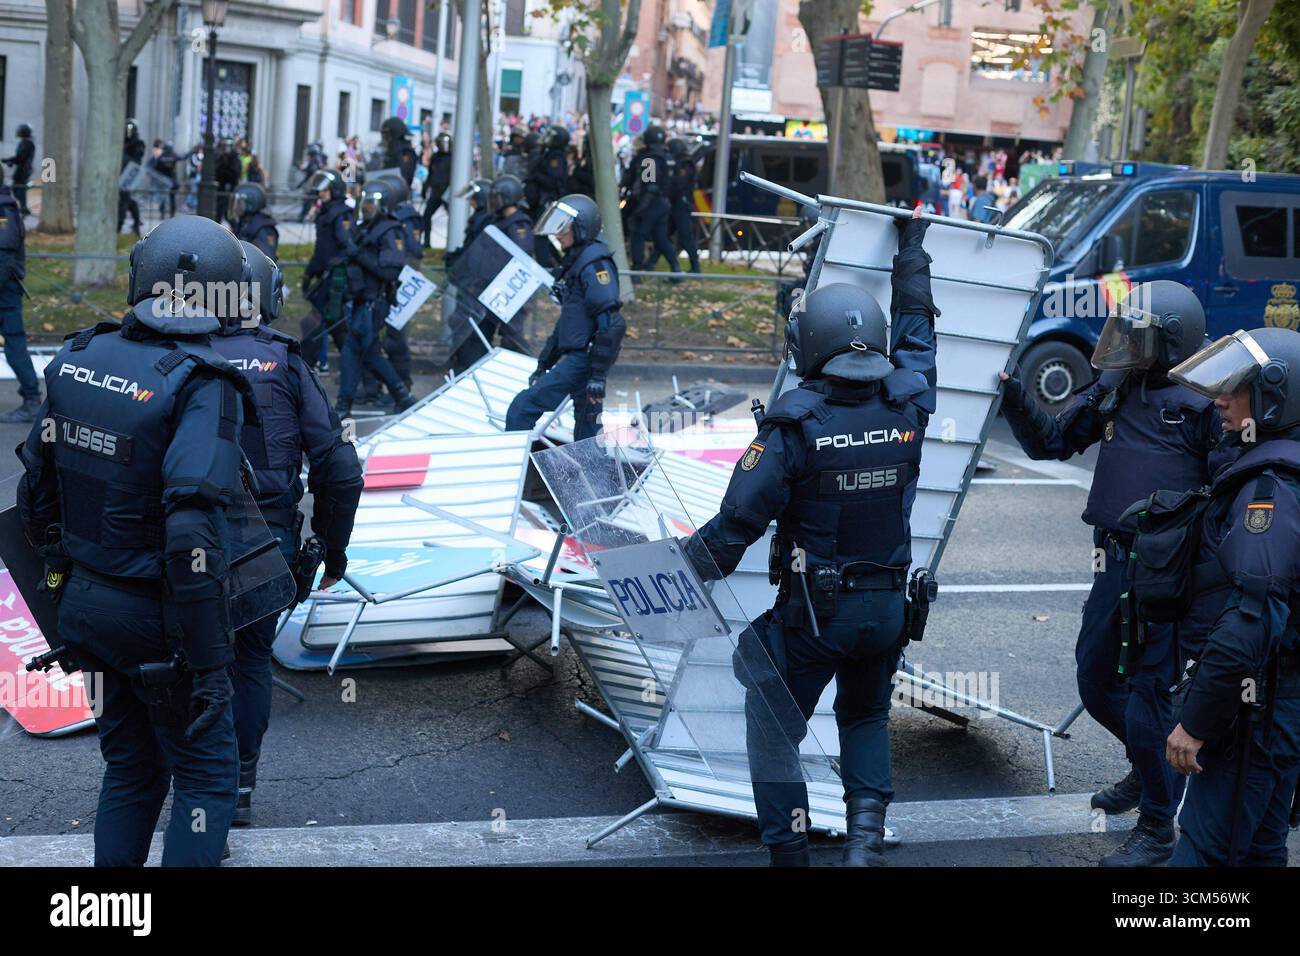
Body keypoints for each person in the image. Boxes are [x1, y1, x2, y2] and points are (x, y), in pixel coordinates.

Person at [681, 207, 938, 867]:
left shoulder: (795, 429)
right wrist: (912, 250)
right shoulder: (910, 406)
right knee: (865, 718)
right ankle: (862, 846)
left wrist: (672, 574)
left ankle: (790, 852)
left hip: (813, 618)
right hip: (887, 612)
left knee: (771, 727)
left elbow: (735, 526)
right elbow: (918, 332)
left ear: (811, 347)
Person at [16, 215, 258, 866]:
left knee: (130, 770)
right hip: (163, 622)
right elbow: (190, 532)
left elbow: (34, 497)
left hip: (88, 610)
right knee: (206, 781)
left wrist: (66, 587)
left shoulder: (77, 357)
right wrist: (208, 664)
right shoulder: (203, 381)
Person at [999, 281, 1234, 866]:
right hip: (1115, 560)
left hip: (1168, 571)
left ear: (1171, 343)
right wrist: (1011, 394)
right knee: (1095, 678)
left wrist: (1208, 589)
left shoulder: (1207, 405)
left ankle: (1158, 828)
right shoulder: (1115, 384)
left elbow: (1229, 504)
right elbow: (1052, 441)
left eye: (1138, 333)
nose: (1123, 341)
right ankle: (1149, 765)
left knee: (1150, 695)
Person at [211, 242, 363, 826]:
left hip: (179, 536)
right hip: (263, 539)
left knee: (192, 657)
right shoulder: (284, 361)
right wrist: (331, 545)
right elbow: (340, 469)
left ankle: (196, 781)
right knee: (250, 658)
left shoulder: (170, 350)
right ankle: (238, 785)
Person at [1160, 326, 1300, 866]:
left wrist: (1195, 724)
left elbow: (1250, 621)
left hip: (1257, 712)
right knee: (1261, 849)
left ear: (1272, 397)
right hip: (1278, 705)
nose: (1220, 400)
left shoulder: (1270, 491)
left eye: (1235, 389)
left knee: (1204, 854)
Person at [505, 194, 624, 442]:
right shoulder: (580, 261)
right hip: (584, 359)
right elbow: (571, 322)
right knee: (587, 431)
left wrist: (597, 376)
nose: (557, 234)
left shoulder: (594, 265)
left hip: (584, 360)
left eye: (563, 227)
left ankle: (515, 470)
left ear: (581, 228)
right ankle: (592, 477)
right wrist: (545, 362)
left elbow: (611, 325)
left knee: (521, 408)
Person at [333, 181, 417, 419]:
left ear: (383, 204)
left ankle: (344, 405)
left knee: (356, 351)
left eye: (371, 202)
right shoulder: (366, 228)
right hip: (361, 302)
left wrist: (358, 255)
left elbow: (390, 272)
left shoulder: (391, 230)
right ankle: (401, 396)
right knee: (363, 353)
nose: (366, 206)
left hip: (374, 304)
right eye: (365, 201)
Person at [448, 175, 535, 374]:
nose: (492, 201)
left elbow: (517, 259)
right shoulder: (498, 221)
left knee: (512, 343)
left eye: (496, 197)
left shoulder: (519, 225)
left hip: (506, 295)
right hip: (486, 292)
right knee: (476, 340)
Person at [300, 168, 355, 372]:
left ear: (335, 190)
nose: (320, 194)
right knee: (336, 327)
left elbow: (347, 247)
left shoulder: (341, 214)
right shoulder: (326, 212)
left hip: (336, 279)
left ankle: (305, 366)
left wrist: (335, 268)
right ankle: (356, 371)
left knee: (315, 323)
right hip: (326, 277)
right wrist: (310, 272)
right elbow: (321, 248)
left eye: (324, 191)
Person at [0, 171, 40, 422]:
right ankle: (32, 397)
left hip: (5, 292)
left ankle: (32, 400)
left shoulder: (4, 210)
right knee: (15, 345)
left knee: (15, 344)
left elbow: (4, 257)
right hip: (5, 289)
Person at [622, 125, 680, 278]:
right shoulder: (666, 156)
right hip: (663, 202)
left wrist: (640, 208)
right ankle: (676, 268)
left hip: (650, 203)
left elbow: (650, 185)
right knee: (661, 237)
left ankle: (635, 271)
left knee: (638, 234)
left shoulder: (650, 158)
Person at [528, 127, 570, 269]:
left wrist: (535, 176)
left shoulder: (556, 157)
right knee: (542, 237)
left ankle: (544, 268)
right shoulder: (549, 153)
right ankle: (559, 264)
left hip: (547, 201)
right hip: (543, 200)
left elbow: (554, 181)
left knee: (540, 236)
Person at [667, 138, 701, 273]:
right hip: (676, 204)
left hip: (681, 204)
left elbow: (679, 183)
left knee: (686, 237)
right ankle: (651, 263)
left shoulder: (685, 163)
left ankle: (695, 267)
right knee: (663, 235)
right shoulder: (680, 162)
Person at [230, 182, 279, 262]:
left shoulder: (263, 229)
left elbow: (264, 261)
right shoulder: (245, 222)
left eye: (239, 203)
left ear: (249, 204)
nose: (235, 208)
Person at [420, 132, 453, 250]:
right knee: (426, 217)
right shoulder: (435, 157)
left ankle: (453, 243)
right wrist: (425, 187)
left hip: (448, 193)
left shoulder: (453, 158)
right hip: (436, 193)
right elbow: (431, 174)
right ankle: (427, 242)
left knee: (454, 218)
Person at [118, 120, 145, 236]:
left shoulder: (138, 143)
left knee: (124, 201)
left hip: (130, 174)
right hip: (122, 173)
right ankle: (136, 224)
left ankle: (118, 226)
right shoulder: (123, 142)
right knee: (128, 201)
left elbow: (137, 159)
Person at [2, 123, 35, 216]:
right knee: (18, 189)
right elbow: (19, 157)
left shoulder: (27, 143)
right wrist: (10, 161)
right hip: (22, 168)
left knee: (19, 189)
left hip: (23, 170)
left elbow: (21, 158)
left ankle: (24, 208)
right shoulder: (25, 142)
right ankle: (24, 208)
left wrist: (9, 160)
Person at [380, 117, 418, 189]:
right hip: (385, 188)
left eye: (386, 134)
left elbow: (405, 175)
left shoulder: (406, 151)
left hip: (400, 191)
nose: (384, 137)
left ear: (394, 132)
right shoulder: (386, 150)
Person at [148, 142, 179, 219]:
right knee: (172, 198)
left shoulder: (160, 157)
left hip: (163, 181)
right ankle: (172, 214)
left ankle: (162, 215)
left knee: (163, 198)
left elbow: (153, 166)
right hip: (172, 180)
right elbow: (183, 157)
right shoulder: (174, 156)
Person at [215, 139, 242, 223]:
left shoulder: (235, 159)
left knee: (229, 213)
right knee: (219, 212)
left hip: (230, 189)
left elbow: (235, 174)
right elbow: (216, 172)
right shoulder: (219, 158)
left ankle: (236, 231)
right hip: (220, 189)